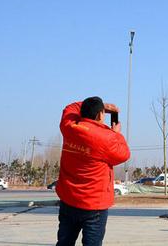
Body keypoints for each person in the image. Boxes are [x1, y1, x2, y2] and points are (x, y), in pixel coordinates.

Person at [56, 96, 130, 246]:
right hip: (93, 205)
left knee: (64, 243)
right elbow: (124, 154)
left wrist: (100, 106)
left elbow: (69, 108)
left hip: (68, 200)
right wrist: (117, 134)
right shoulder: (106, 138)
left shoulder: (69, 126)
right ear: (100, 115)